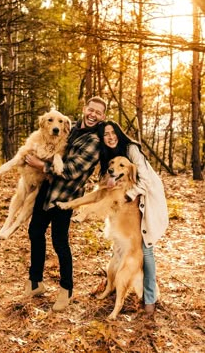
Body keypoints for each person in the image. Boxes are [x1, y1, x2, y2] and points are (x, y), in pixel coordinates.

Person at [24, 96, 107, 312]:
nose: (93, 114)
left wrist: (41, 165)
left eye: (98, 112)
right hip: (46, 188)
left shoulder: (94, 142)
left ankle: (66, 289)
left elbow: (71, 171)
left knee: (59, 241)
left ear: (103, 117)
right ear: (84, 109)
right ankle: (35, 283)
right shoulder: (70, 127)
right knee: (35, 231)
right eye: (91, 109)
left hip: (65, 196)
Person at [97, 120, 169, 315]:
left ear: (119, 133)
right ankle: (116, 285)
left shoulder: (131, 149)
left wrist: (127, 196)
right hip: (131, 204)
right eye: (106, 134)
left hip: (147, 199)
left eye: (113, 132)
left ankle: (150, 299)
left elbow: (144, 181)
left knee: (146, 250)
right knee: (121, 249)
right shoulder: (110, 155)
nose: (110, 137)